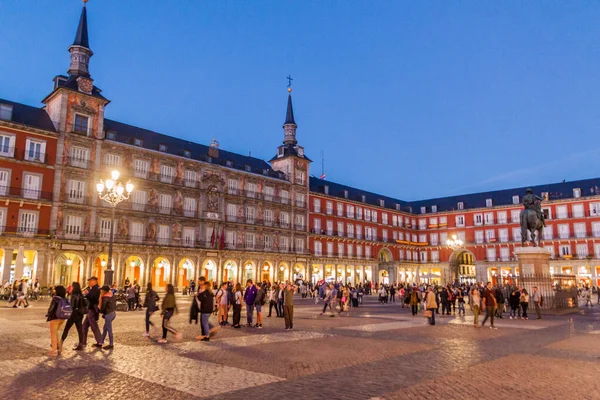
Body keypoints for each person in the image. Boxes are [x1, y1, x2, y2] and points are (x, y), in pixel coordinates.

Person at [61, 282, 86, 350]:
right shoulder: (81, 295)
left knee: (66, 329)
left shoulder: (73, 295)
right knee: (80, 330)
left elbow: (72, 306)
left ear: (74, 287)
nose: (71, 287)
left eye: (72, 286)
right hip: (80, 314)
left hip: (73, 314)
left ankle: (60, 343)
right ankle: (81, 344)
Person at [46, 285, 69, 356]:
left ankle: (54, 351)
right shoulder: (65, 298)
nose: (53, 291)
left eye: (55, 290)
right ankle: (59, 348)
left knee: (53, 334)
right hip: (62, 318)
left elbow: (51, 308)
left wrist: (48, 314)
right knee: (56, 333)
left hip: (55, 318)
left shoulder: (55, 298)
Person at [82, 276, 103, 349]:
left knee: (94, 326)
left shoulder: (96, 289)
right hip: (91, 310)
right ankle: (83, 341)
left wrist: (86, 294)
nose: (89, 283)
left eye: (90, 281)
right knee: (84, 326)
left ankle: (100, 341)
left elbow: (92, 297)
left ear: (94, 281)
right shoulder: (94, 288)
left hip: (93, 310)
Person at [98, 285, 117, 350]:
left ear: (104, 291)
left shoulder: (105, 297)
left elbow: (103, 307)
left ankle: (111, 344)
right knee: (105, 328)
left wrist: (100, 311)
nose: (101, 291)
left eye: (102, 290)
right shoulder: (111, 295)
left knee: (109, 330)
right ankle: (101, 342)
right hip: (113, 313)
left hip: (108, 314)